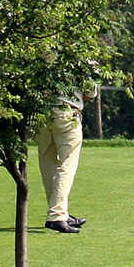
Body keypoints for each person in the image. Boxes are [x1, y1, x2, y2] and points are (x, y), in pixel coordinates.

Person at [33, 93, 87, 234]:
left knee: (48, 164)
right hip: (66, 115)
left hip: (40, 115)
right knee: (67, 164)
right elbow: (90, 91)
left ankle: (60, 213)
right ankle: (57, 215)